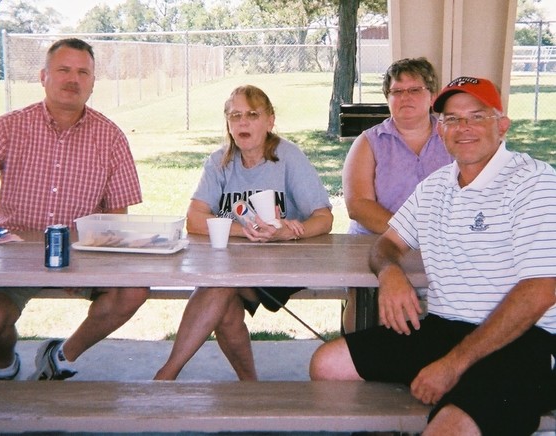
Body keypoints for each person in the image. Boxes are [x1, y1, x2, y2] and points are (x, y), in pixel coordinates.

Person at [310, 76, 556, 436]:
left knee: (448, 430)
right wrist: (389, 273)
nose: (463, 128)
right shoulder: (436, 186)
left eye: (476, 116)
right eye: (452, 119)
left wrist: (453, 365)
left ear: (502, 124)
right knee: (327, 364)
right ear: (440, 129)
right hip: (444, 327)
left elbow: (541, 290)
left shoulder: (535, 182)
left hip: (523, 341)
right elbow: (387, 243)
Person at [0, 38, 149, 381]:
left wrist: (88, 265)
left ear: (93, 81)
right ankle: (5, 365)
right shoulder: (10, 127)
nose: (73, 79)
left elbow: (116, 216)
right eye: (63, 70)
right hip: (10, 254)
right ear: (43, 76)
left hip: (78, 254)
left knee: (134, 290)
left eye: (83, 72)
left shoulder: (110, 136)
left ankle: (60, 357)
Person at [154, 85, 333, 381]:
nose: (243, 123)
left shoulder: (288, 157)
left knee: (219, 287)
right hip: (232, 264)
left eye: (252, 114)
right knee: (225, 310)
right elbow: (194, 219)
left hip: (285, 264)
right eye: (235, 115)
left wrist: (290, 234)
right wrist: (245, 231)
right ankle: (250, 385)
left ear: (270, 121)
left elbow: (324, 218)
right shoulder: (219, 161)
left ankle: (167, 374)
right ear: (227, 122)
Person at [342, 57, 452, 333]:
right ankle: (359, 354)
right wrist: (411, 234)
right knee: (373, 305)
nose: (405, 98)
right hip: (375, 244)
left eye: (414, 90)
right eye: (397, 92)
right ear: (387, 98)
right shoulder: (368, 142)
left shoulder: (453, 138)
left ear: (433, 96)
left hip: (444, 243)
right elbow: (358, 205)